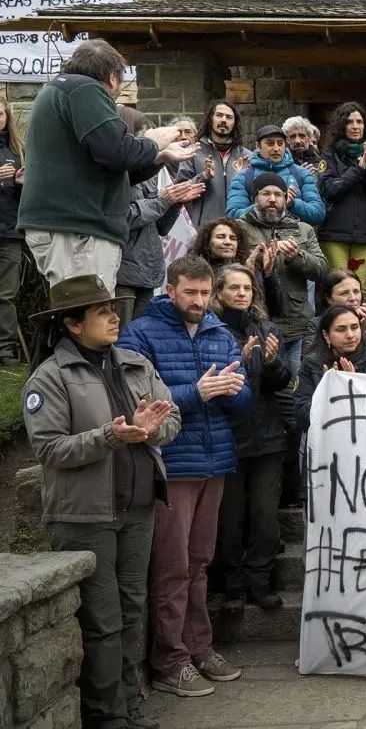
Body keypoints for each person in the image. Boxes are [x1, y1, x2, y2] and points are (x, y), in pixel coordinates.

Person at [24, 274, 180, 729]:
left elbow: (173, 420)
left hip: (137, 510)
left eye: (115, 309)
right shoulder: (49, 377)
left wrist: (152, 428)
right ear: (73, 324)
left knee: (133, 611)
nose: (116, 317)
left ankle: (129, 705)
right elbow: (50, 449)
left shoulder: (135, 364)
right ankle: (106, 715)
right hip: (84, 517)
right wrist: (111, 435)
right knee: (103, 620)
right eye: (103, 312)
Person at [118, 255, 250, 697]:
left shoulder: (219, 331)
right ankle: (169, 660)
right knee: (173, 568)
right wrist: (197, 393)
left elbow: (243, 398)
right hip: (170, 466)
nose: (198, 301)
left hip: (216, 463)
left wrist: (234, 391)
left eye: (204, 292)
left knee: (199, 563)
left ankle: (199, 648)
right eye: (189, 292)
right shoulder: (141, 333)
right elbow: (138, 400)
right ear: (169, 290)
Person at [19, 39, 194, 289]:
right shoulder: (85, 90)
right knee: (90, 315)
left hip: (67, 229)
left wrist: (160, 157)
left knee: (83, 314)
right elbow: (117, 152)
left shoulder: (57, 92)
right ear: (113, 77)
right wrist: (154, 142)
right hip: (79, 231)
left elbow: (108, 166)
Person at [210, 264, 291, 614]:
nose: (242, 293)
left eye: (247, 288)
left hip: (267, 437)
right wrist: (239, 365)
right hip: (227, 437)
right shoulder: (210, 331)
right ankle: (233, 585)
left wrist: (272, 363)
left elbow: (283, 381)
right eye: (234, 288)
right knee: (230, 519)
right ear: (220, 293)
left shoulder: (267, 328)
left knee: (264, 515)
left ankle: (260, 580)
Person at [115, 109, 206, 325]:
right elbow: (122, 216)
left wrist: (176, 202)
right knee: (120, 337)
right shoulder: (116, 173)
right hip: (123, 271)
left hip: (148, 270)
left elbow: (161, 228)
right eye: (144, 135)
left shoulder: (150, 175)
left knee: (140, 337)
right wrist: (163, 201)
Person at [237, 172, 328, 377]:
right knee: (262, 384)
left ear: (286, 199)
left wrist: (297, 256)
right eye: (265, 193)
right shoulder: (239, 228)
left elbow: (322, 270)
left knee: (297, 383)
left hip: (296, 324)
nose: (272, 199)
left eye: (278, 194)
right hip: (255, 323)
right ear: (255, 197)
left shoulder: (303, 229)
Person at [317, 102, 366, 298]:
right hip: (334, 233)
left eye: (359, 121)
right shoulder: (330, 155)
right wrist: (357, 169)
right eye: (349, 122)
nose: (355, 126)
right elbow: (329, 190)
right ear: (341, 126)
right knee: (339, 287)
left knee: (361, 290)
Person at [295, 306, 366, 433]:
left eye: (354, 327)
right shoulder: (312, 365)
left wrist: (354, 389)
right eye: (341, 329)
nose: (350, 335)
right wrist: (328, 392)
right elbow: (301, 418)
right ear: (326, 335)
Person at [303, 269, 366, 373]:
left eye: (356, 291)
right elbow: (307, 362)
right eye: (344, 293)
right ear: (329, 299)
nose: (353, 298)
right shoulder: (317, 324)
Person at [226, 124, 324, 226]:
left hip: (293, 239)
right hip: (255, 240)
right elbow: (232, 215)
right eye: (270, 143)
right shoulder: (243, 177)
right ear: (258, 146)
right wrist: (259, 206)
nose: (276, 148)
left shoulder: (302, 174)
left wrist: (292, 204)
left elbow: (318, 214)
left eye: (280, 143)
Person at [176, 101, 252, 228]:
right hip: (204, 229)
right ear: (210, 119)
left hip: (238, 228)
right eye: (219, 115)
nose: (223, 120)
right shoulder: (193, 152)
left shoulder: (247, 156)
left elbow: (257, 196)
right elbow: (180, 191)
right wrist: (203, 177)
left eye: (229, 117)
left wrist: (243, 179)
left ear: (234, 123)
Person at [0, 98, 22, 364]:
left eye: (1, 114)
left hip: (10, 232)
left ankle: (5, 349)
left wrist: (20, 183)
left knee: (6, 295)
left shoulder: (17, 150)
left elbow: (26, 198)